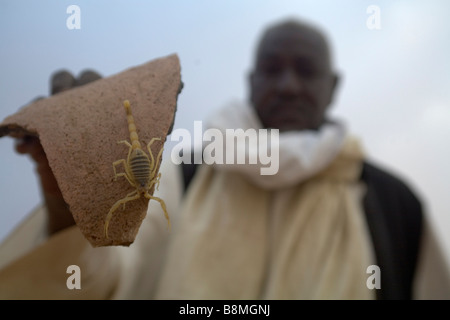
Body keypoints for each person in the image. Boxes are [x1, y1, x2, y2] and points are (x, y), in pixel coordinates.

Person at [0, 18, 449, 300]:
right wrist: (71, 204)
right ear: (251, 81)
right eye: (272, 69)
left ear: (333, 87)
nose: (289, 85)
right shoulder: (183, 174)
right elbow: (106, 282)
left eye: (306, 71)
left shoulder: (395, 205)